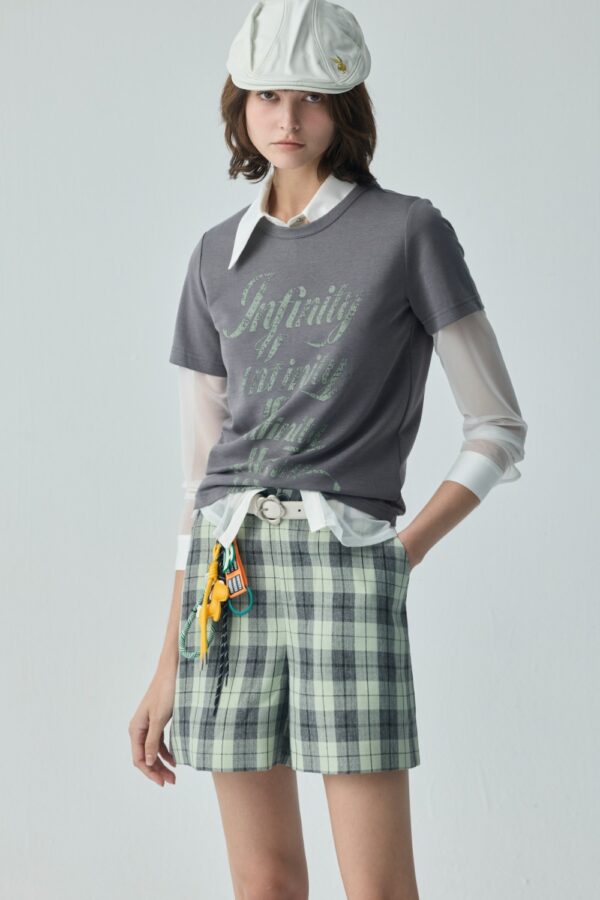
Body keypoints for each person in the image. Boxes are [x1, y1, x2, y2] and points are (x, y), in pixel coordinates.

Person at [129, 1, 527, 896]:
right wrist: (166, 665)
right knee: (265, 883)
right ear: (240, 105)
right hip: (227, 576)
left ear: (346, 105)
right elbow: (200, 479)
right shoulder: (213, 256)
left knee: (377, 887)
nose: (287, 117)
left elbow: (498, 426)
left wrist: (399, 554)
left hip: (345, 559)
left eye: (311, 96)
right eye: (267, 95)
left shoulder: (409, 232)